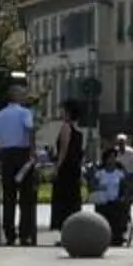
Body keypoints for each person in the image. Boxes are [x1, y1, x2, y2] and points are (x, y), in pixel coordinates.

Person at [0, 83, 39, 247]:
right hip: (22, 154)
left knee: (8, 197)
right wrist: (32, 152)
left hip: (6, 157)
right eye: (23, 94)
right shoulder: (25, 113)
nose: (25, 97)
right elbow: (30, 129)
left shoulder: (0, 115)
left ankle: (10, 234)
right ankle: (25, 234)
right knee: (26, 198)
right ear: (17, 97)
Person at [46, 98, 87, 239]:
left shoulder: (65, 127)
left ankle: (65, 231)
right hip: (74, 169)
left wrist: (56, 167)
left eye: (63, 110)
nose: (61, 112)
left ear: (68, 112)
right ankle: (73, 232)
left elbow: (63, 150)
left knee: (62, 201)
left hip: (66, 170)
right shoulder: (79, 130)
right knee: (73, 200)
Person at [90, 154, 131, 247]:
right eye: (110, 158)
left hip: (115, 201)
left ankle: (118, 235)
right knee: (103, 212)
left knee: (119, 211)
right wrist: (99, 187)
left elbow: (125, 187)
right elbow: (92, 186)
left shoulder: (119, 173)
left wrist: (124, 196)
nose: (112, 160)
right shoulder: (100, 173)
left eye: (113, 158)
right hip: (103, 201)